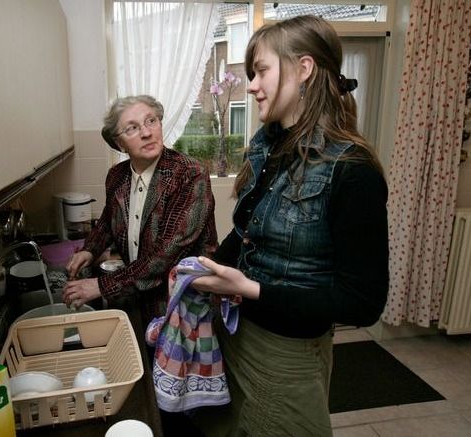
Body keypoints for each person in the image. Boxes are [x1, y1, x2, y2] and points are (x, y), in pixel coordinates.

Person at [190, 15, 389, 437]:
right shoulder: (271, 148)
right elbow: (247, 232)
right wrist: (207, 266)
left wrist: (251, 290)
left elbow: (363, 302)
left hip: (287, 353)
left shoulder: (352, 171)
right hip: (239, 332)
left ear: (304, 69)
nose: (251, 85)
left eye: (260, 71)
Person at [63, 94, 218, 326]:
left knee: (176, 362)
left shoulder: (189, 174)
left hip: (184, 302)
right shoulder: (117, 176)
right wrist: (91, 250)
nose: (147, 133)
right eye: (132, 128)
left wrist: (101, 285)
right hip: (139, 295)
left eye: (151, 121)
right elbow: (109, 219)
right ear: (119, 143)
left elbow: (165, 254)